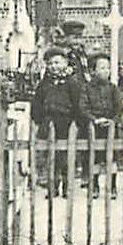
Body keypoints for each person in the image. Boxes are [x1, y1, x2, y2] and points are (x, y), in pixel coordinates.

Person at [30, 46, 83, 196]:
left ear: (65, 63)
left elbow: (78, 102)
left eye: (57, 63)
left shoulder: (72, 82)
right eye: (51, 63)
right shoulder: (45, 83)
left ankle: (67, 187)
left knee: (66, 155)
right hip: (49, 122)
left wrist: (77, 121)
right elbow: (37, 102)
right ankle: (52, 186)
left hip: (66, 122)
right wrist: (38, 118)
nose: (54, 66)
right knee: (50, 156)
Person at [77, 51, 123, 196]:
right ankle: (95, 185)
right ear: (93, 71)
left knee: (112, 158)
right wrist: (94, 119)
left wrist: (113, 121)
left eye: (107, 68)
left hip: (110, 128)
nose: (106, 71)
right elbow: (83, 107)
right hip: (94, 128)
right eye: (102, 68)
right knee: (95, 158)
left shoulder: (113, 88)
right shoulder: (87, 88)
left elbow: (119, 108)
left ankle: (112, 186)